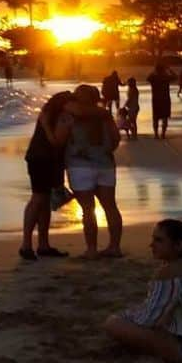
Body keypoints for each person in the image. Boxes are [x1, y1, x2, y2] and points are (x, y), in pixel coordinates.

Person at [54, 84, 123, 259]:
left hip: (79, 165)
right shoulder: (105, 115)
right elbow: (115, 139)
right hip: (105, 164)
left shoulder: (69, 115)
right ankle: (114, 247)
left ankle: (92, 249)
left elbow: (60, 140)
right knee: (111, 207)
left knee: (88, 209)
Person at [104, 219, 182, 363]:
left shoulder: (169, 273)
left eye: (159, 240)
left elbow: (149, 319)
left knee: (113, 323)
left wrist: (125, 316)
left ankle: (177, 355)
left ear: (179, 245)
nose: (151, 245)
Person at [20, 91, 74, 260]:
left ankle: (42, 244)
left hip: (40, 158)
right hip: (44, 160)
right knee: (38, 199)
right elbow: (56, 142)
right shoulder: (61, 116)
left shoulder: (48, 114)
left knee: (43, 201)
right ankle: (27, 244)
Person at [148, 61, 173, 138]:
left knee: (155, 118)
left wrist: (154, 71)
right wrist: (169, 70)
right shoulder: (166, 77)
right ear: (163, 69)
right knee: (165, 118)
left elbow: (148, 78)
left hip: (156, 100)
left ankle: (156, 134)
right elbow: (175, 76)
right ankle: (163, 134)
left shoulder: (153, 78)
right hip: (165, 100)